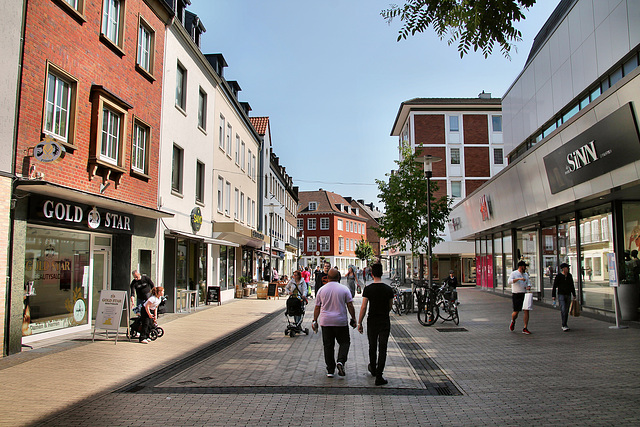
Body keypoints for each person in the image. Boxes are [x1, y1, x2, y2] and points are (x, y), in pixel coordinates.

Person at [312, 268, 357, 378]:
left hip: (326, 322)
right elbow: (350, 305)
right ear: (338, 277)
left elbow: (317, 307)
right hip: (341, 321)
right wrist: (354, 318)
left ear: (327, 278)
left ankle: (330, 370)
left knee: (328, 346)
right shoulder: (344, 289)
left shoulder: (322, 290)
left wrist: (314, 320)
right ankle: (340, 361)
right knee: (345, 342)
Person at [357, 263, 394, 386]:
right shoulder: (388, 289)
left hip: (372, 321)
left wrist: (359, 322)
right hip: (384, 321)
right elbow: (390, 306)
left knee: (372, 346)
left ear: (371, 274)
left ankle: (373, 368)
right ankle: (379, 376)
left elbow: (363, 307)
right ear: (382, 273)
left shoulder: (368, 289)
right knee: (383, 348)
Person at [508, 261, 532, 334]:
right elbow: (509, 281)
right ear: (521, 267)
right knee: (516, 311)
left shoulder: (526, 274)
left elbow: (528, 282)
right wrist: (518, 279)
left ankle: (525, 327)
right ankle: (513, 320)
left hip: (524, 294)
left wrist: (528, 286)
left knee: (526, 310)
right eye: (524, 266)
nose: (525, 268)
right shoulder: (514, 273)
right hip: (516, 294)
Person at [551, 263, 576, 332]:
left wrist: (574, 294)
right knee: (563, 308)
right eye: (567, 268)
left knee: (567, 309)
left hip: (568, 294)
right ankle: (564, 324)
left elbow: (572, 285)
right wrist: (553, 295)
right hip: (561, 294)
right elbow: (554, 286)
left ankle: (565, 323)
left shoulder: (569, 276)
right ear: (563, 268)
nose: (568, 269)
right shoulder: (559, 276)